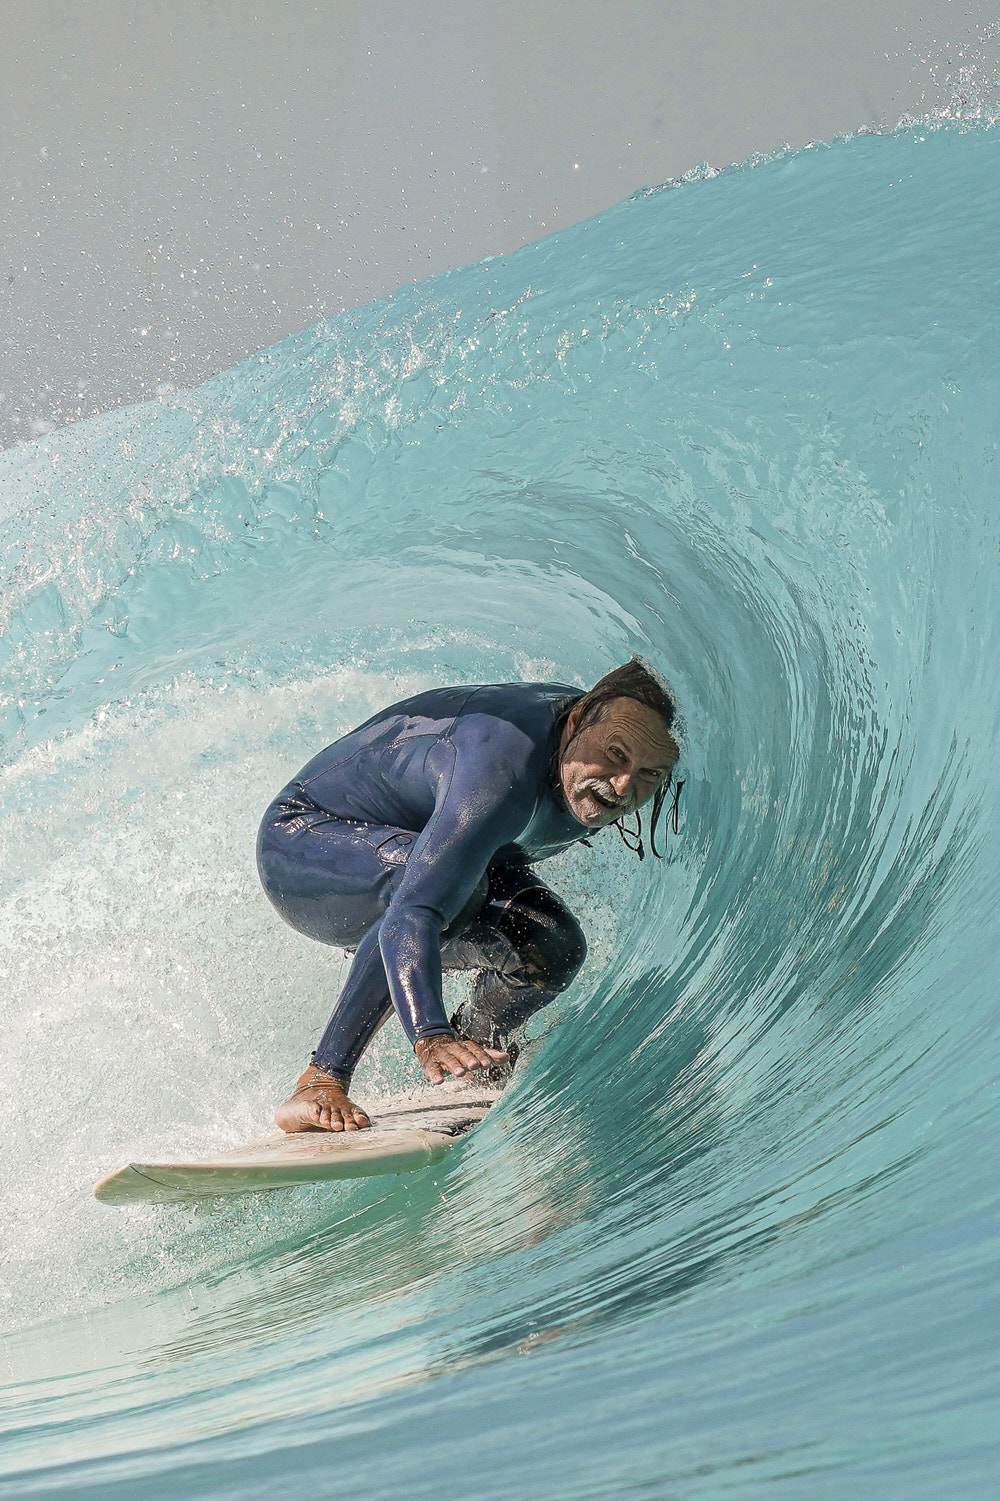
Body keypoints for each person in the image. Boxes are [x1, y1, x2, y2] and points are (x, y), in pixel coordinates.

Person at [257, 658, 681, 1132]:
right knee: (444, 890)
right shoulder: (500, 774)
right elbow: (417, 908)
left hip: (413, 851)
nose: (623, 786)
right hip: (307, 847)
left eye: (649, 774)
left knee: (552, 949)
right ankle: (320, 1080)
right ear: (578, 721)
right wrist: (429, 1036)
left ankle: (476, 1047)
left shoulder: (596, 741)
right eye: (617, 756)